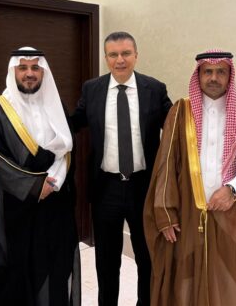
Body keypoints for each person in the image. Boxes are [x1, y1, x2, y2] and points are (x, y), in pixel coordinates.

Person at [143, 49, 236, 306]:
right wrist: (164, 212)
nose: (214, 78)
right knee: (186, 279)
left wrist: (232, 189)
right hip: (187, 213)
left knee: (231, 279)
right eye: (207, 72)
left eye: (220, 72)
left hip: (234, 213)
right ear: (198, 75)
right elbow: (166, 163)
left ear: (230, 76)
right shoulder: (180, 112)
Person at [71, 31, 172, 306]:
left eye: (126, 53)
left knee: (147, 258)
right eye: (113, 55)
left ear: (136, 55)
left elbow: (175, 127)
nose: (120, 60)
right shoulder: (92, 89)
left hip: (144, 188)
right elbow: (74, 122)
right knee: (106, 261)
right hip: (106, 189)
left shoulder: (155, 89)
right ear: (106, 58)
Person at [0, 47, 80, 306]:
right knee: (17, 277)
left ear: (43, 72)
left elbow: (67, 151)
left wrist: (52, 182)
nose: (29, 73)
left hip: (54, 204)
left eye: (35, 67)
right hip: (16, 208)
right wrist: (34, 185)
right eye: (23, 67)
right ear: (13, 71)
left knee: (54, 270)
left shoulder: (57, 105)